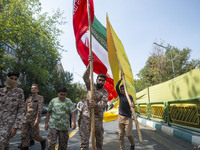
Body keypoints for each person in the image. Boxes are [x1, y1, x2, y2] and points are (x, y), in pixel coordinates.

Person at [79, 64, 109, 150]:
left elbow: (104, 103)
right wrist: (90, 65)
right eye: (100, 80)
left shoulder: (105, 92)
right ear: (96, 79)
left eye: (103, 81)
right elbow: (85, 77)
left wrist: (96, 105)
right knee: (84, 140)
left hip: (97, 118)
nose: (101, 82)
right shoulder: (91, 86)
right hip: (87, 116)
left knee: (99, 140)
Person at [0, 71, 25, 150]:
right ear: (7, 78)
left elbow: (21, 110)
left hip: (9, 124)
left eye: (15, 79)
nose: (13, 81)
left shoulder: (19, 92)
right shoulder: (1, 91)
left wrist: (15, 127)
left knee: (1, 142)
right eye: (11, 78)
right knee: (5, 144)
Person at [20, 84, 46, 150]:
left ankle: (43, 141)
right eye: (32, 88)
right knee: (23, 134)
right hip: (26, 119)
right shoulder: (28, 98)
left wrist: (37, 119)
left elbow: (40, 109)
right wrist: (22, 117)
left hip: (34, 119)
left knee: (35, 135)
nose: (33, 89)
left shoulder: (40, 97)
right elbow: (24, 108)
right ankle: (25, 147)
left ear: (38, 90)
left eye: (35, 88)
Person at [116, 75, 135, 150]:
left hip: (128, 118)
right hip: (120, 117)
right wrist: (120, 80)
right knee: (120, 135)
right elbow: (116, 87)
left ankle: (132, 144)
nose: (122, 91)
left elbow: (132, 104)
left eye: (124, 89)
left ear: (126, 90)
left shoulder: (129, 97)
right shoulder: (120, 96)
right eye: (121, 90)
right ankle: (122, 148)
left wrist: (132, 105)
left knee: (129, 134)